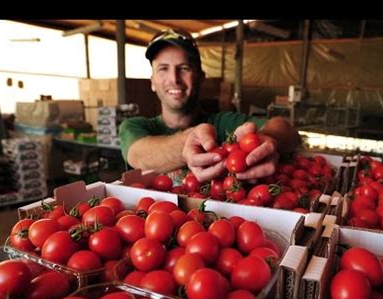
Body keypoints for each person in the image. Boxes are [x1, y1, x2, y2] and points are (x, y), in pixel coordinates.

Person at [119, 28, 301, 183]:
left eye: (184, 68)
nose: (174, 79)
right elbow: (139, 154)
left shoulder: (223, 124)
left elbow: (287, 130)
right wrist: (191, 141)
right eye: (163, 69)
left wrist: (267, 141)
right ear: (152, 81)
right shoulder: (135, 127)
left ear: (200, 77)